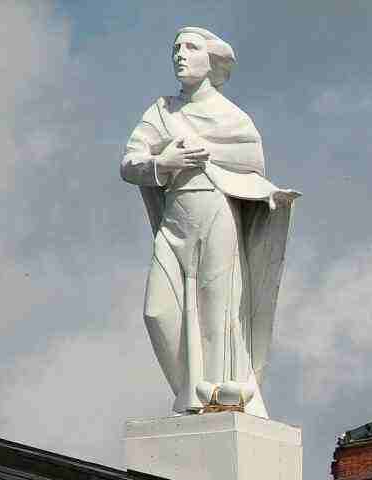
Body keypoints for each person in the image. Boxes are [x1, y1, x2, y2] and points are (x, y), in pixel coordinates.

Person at [121, 27, 300, 417]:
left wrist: (270, 195)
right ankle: (190, 390)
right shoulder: (161, 111)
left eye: (191, 47)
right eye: (176, 48)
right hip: (175, 219)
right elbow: (129, 164)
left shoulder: (233, 118)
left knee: (219, 311)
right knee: (158, 312)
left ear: (212, 60)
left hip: (216, 212)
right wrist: (162, 163)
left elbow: (250, 167)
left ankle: (218, 395)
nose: (180, 54)